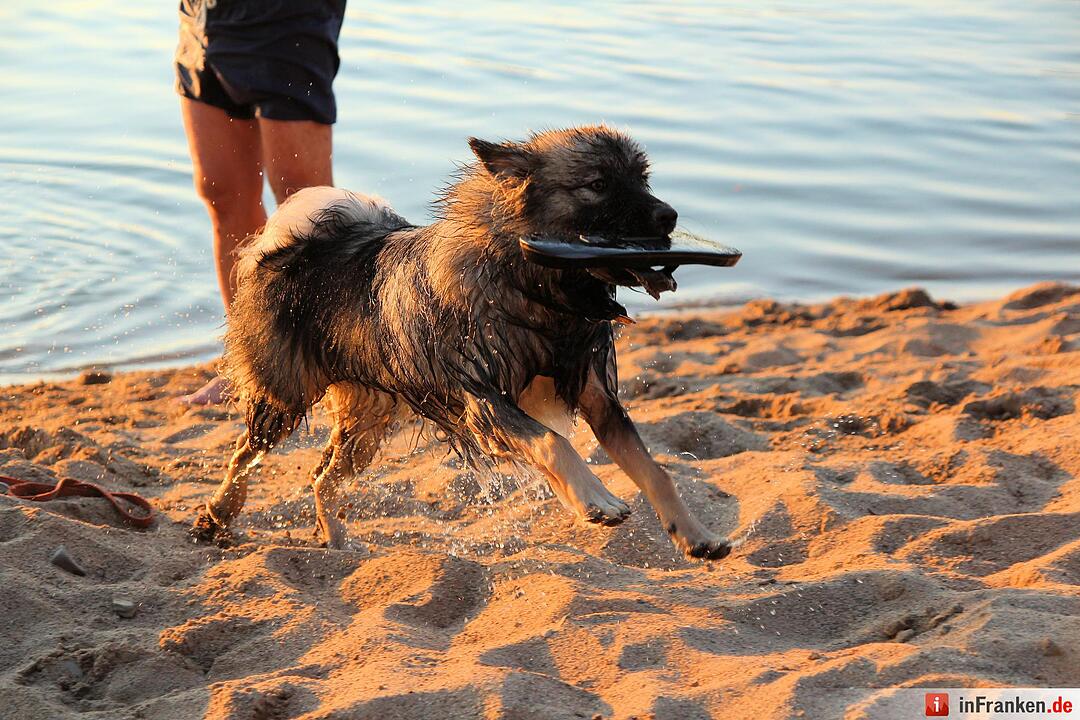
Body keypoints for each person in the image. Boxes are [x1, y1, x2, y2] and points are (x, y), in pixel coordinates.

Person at [174, 0, 347, 404]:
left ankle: (331, 361)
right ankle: (248, 360)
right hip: (203, 15)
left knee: (306, 203)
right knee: (220, 191)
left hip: (288, 19)